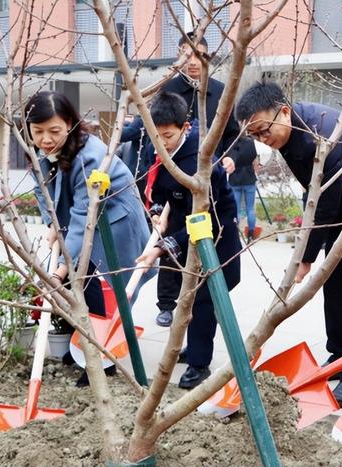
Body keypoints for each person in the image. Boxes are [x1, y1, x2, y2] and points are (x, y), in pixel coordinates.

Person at [235, 81, 342, 406]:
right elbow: (315, 197)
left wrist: (305, 257)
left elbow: (323, 204)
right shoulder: (287, 131)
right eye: (254, 136)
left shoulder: (322, 134)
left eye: (263, 131)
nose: (262, 140)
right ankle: (339, 356)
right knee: (335, 282)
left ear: (283, 111)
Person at [26, 91, 154, 386]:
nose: (45, 139)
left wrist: (59, 269)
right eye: (38, 132)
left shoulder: (91, 156)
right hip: (81, 221)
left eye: (54, 131)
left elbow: (85, 217)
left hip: (114, 224)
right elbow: (43, 193)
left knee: (101, 287)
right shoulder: (40, 152)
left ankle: (101, 360)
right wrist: (51, 224)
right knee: (80, 285)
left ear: (70, 123)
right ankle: (84, 345)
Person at [121, 32, 240, 328]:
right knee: (176, 265)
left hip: (208, 213)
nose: (192, 63)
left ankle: (200, 338)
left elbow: (236, 137)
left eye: (198, 56)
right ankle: (171, 310)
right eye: (186, 56)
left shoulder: (219, 96)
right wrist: (158, 211)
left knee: (209, 286)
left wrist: (231, 157)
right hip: (177, 207)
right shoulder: (164, 99)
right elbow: (154, 178)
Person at [135, 92, 241, 389]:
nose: (161, 143)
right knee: (190, 293)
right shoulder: (159, 147)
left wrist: (161, 248)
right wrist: (158, 210)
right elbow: (157, 186)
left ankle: (199, 364)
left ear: (185, 127)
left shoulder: (200, 159)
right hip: (185, 225)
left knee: (207, 297)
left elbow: (207, 216)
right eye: (156, 136)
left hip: (215, 233)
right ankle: (193, 349)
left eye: (167, 136)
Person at [228, 136, 259, 242]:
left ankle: (235, 233)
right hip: (249, 177)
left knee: (236, 209)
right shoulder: (252, 142)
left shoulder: (232, 143)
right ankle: (251, 234)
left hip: (235, 177)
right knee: (250, 208)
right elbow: (256, 161)